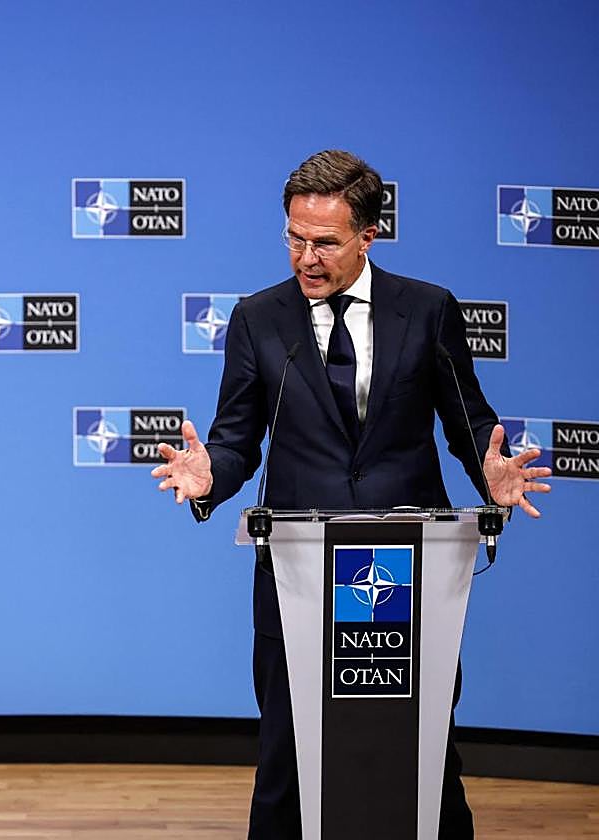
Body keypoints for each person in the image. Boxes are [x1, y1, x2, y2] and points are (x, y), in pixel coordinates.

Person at [151, 149, 550, 839]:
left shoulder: (426, 310)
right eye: (294, 238)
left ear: (369, 235)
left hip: (406, 567)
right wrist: (211, 475)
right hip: (299, 572)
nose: (305, 258)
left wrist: (491, 473)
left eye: (325, 242)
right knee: (287, 757)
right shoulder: (258, 318)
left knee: (421, 749)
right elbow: (237, 438)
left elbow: (469, 423)